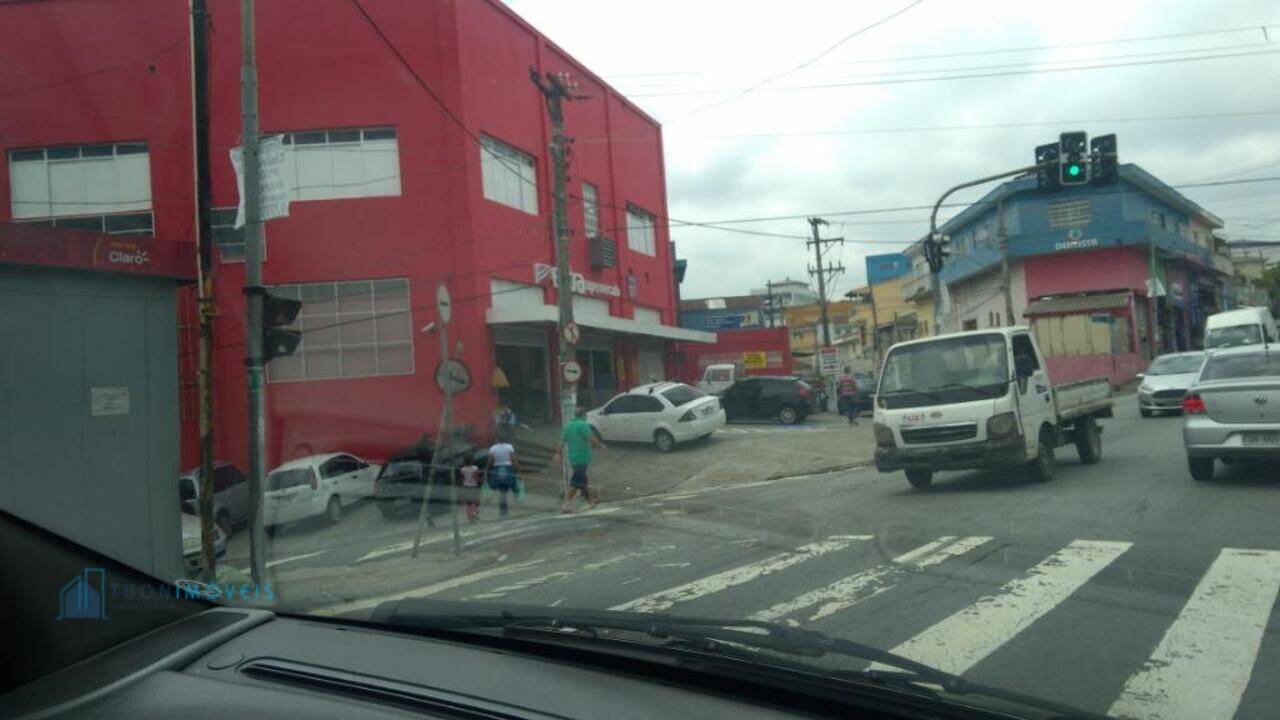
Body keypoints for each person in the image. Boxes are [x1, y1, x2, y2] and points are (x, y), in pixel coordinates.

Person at [553, 408, 606, 513]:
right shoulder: (583, 425)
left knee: (583, 481)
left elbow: (561, 441)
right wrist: (600, 445)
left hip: (573, 458)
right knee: (576, 482)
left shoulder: (568, 426)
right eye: (585, 416)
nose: (585, 418)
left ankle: (590, 502)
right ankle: (566, 505)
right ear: (583, 416)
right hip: (583, 457)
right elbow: (590, 438)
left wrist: (557, 453)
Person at [482, 439, 521, 518]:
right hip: (507, 470)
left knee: (502, 492)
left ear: (496, 439)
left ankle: (503, 512)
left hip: (497, 470)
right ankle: (515, 496)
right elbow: (513, 460)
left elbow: (490, 461)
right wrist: (518, 470)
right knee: (509, 489)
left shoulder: (493, 448)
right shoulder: (509, 447)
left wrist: (486, 471)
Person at [458, 453, 482, 523]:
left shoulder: (462, 469)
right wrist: (480, 480)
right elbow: (476, 477)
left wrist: (462, 485)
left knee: (468, 503)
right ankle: (474, 512)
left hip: (466, 486)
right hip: (474, 486)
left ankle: (470, 518)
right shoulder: (475, 468)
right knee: (477, 501)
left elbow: (462, 478)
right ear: (472, 461)